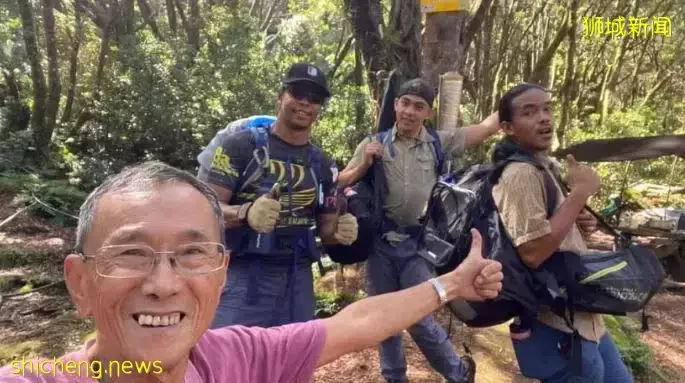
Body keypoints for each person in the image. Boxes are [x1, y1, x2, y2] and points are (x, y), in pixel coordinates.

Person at [0, 161, 504, 382]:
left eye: (192, 254)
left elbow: (355, 324)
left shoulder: (236, 359)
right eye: (129, 254)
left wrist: (453, 283)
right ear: (79, 284)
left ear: (221, 275)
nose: (162, 284)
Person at [338, 78, 502, 383]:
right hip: (380, 245)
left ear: (428, 112)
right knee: (383, 319)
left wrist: (507, 109)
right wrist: (364, 161)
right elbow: (341, 182)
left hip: (419, 246)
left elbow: (482, 129)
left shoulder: (438, 143)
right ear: (396, 104)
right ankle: (394, 378)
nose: (409, 111)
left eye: (419, 106)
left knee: (419, 318)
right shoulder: (375, 141)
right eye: (405, 103)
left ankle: (458, 374)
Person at [196, 63, 358, 328]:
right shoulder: (240, 146)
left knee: (295, 364)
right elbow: (204, 209)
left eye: (314, 98)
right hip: (241, 275)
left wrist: (341, 231)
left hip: (298, 279)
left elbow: (327, 229)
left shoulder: (322, 163)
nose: (305, 103)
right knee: (229, 362)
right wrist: (245, 213)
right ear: (281, 96)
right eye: (298, 93)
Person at [490, 83, 633, 382]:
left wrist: (580, 225)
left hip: (585, 319)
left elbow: (554, 229)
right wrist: (580, 193)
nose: (544, 118)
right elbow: (532, 252)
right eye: (529, 112)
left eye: (546, 108)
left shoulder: (544, 166)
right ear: (508, 128)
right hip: (555, 323)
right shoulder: (519, 174)